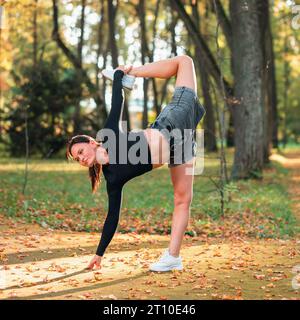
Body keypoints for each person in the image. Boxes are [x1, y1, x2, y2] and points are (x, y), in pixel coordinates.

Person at [66, 55, 206, 272]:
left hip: (170, 125)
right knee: (182, 199)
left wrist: (120, 75)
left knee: (185, 61)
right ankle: (173, 257)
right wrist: (98, 254)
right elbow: (112, 217)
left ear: (92, 142)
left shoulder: (109, 136)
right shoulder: (112, 179)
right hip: (180, 145)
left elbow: (117, 102)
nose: (81, 158)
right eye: (78, 159)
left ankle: (132, 71)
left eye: (81, 151)